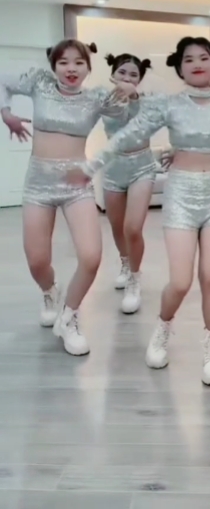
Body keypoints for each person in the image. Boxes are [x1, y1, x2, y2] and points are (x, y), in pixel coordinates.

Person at [67, 36, 210, 385]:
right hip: (180, 194)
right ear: (180, 67)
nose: (197, 63)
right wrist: (92, 166)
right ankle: (163, 327)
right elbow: (127, 135)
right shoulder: (168, 103)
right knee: (180, 282)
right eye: (189, 59)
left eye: (204, 57)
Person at [0, 39, 134, 356]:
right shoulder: (39, 82)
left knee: (91, 256)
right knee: (37, 261)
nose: (71, 69)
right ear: (53, 66)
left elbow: (127, 119)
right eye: (63, 62)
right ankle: (50, 291)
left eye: (78, 62)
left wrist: (129, 92)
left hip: (77, 185)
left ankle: (69, 316)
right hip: (39, 183)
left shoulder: (97, 97)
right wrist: (7, 114)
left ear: (88, 67)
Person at [102, 52, 156, 313]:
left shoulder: (147, 102)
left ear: (139, 80)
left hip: (141, 167)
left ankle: (135, 278)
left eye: (133, 74)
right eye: (122, 72)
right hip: (113, 168)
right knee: (116, 226)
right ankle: (125, 262)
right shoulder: (104, 100)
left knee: (132, 227)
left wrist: (133, 98)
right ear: (113, 74)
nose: (127, 77)